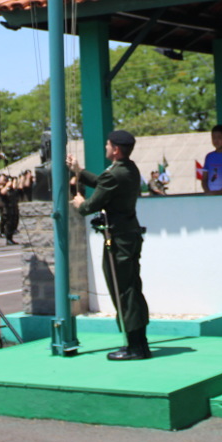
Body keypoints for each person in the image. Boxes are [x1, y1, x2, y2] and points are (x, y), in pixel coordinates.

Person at [67, 130, 150, 361]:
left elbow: (92, 204)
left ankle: (135, 347)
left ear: (115, 150)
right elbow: (104, 183)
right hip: (129, 235)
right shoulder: (128, 169)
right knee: (131, 288)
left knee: (123, 291)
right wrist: (79, 171)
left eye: (107, 144)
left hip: (119, 240)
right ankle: (138, 343)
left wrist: (81, 204)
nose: (105, 147)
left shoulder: (116, 174)